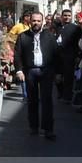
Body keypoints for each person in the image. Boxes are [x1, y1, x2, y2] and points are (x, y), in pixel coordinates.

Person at [14, 11, 59, 140]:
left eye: (39, 21)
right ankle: (33, 127)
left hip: (46, 71)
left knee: (47, 100)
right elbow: (18, 55)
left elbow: (56, 54)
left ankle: (48, 129)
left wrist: (58, 73)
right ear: (30, 21)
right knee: (32, 101)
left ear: (42, 22)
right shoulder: (23, 36)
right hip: (30, 72)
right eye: (34, 20)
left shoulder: (49, 36)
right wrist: (19, 71)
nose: (36, 23)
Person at [56, 9, 82, 103]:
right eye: (65, 15)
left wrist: (79, 56)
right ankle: (60, 93)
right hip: (56, 56)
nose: (67, 17)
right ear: (62, 16)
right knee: (57, 77)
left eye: (69, 15)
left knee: (68, 77)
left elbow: (80, 43)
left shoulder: (76, 28)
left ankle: (67, 96)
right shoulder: (57, 27)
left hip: (70, 56)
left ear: (71, 17)